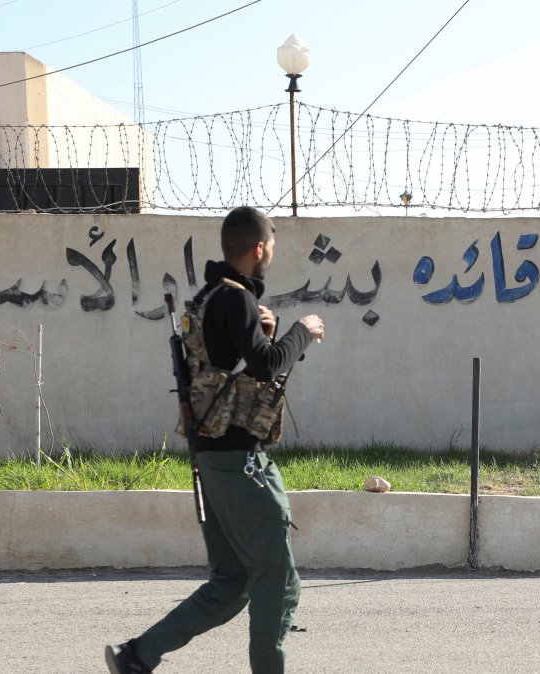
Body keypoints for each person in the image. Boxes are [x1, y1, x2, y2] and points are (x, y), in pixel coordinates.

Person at [106, 206, 324, 674]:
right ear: (259, 249)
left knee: (232, 582)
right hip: (239, 461)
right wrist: (301, 333)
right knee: (278, 579)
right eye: (271, 252)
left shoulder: (207, 298)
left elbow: (234, 360)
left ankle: (136, 656)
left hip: (209, 459)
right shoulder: (237, 298)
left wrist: (264, 334)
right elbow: (267, 367)